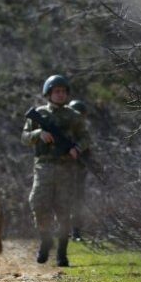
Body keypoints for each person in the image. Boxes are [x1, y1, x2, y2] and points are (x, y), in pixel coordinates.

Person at [21, 75, 91, 267]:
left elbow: (86, 137)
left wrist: (77, 148)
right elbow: (24, 137)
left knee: (64, 210)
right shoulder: (39, 114)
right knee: (38, 203)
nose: (60, 95)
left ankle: (62, 251)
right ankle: (45, 239)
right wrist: (38, 134)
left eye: (63, 91)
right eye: (56, 91)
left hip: (66, 168)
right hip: (43, 166)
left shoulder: (74, 116)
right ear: (49, 93)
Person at [68, 99, 89, 241]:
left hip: (78, 171)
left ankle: (76, 232)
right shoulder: (65, 131)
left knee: (77, 202)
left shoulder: (83, 133)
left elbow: (87, 150)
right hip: (62, 170)